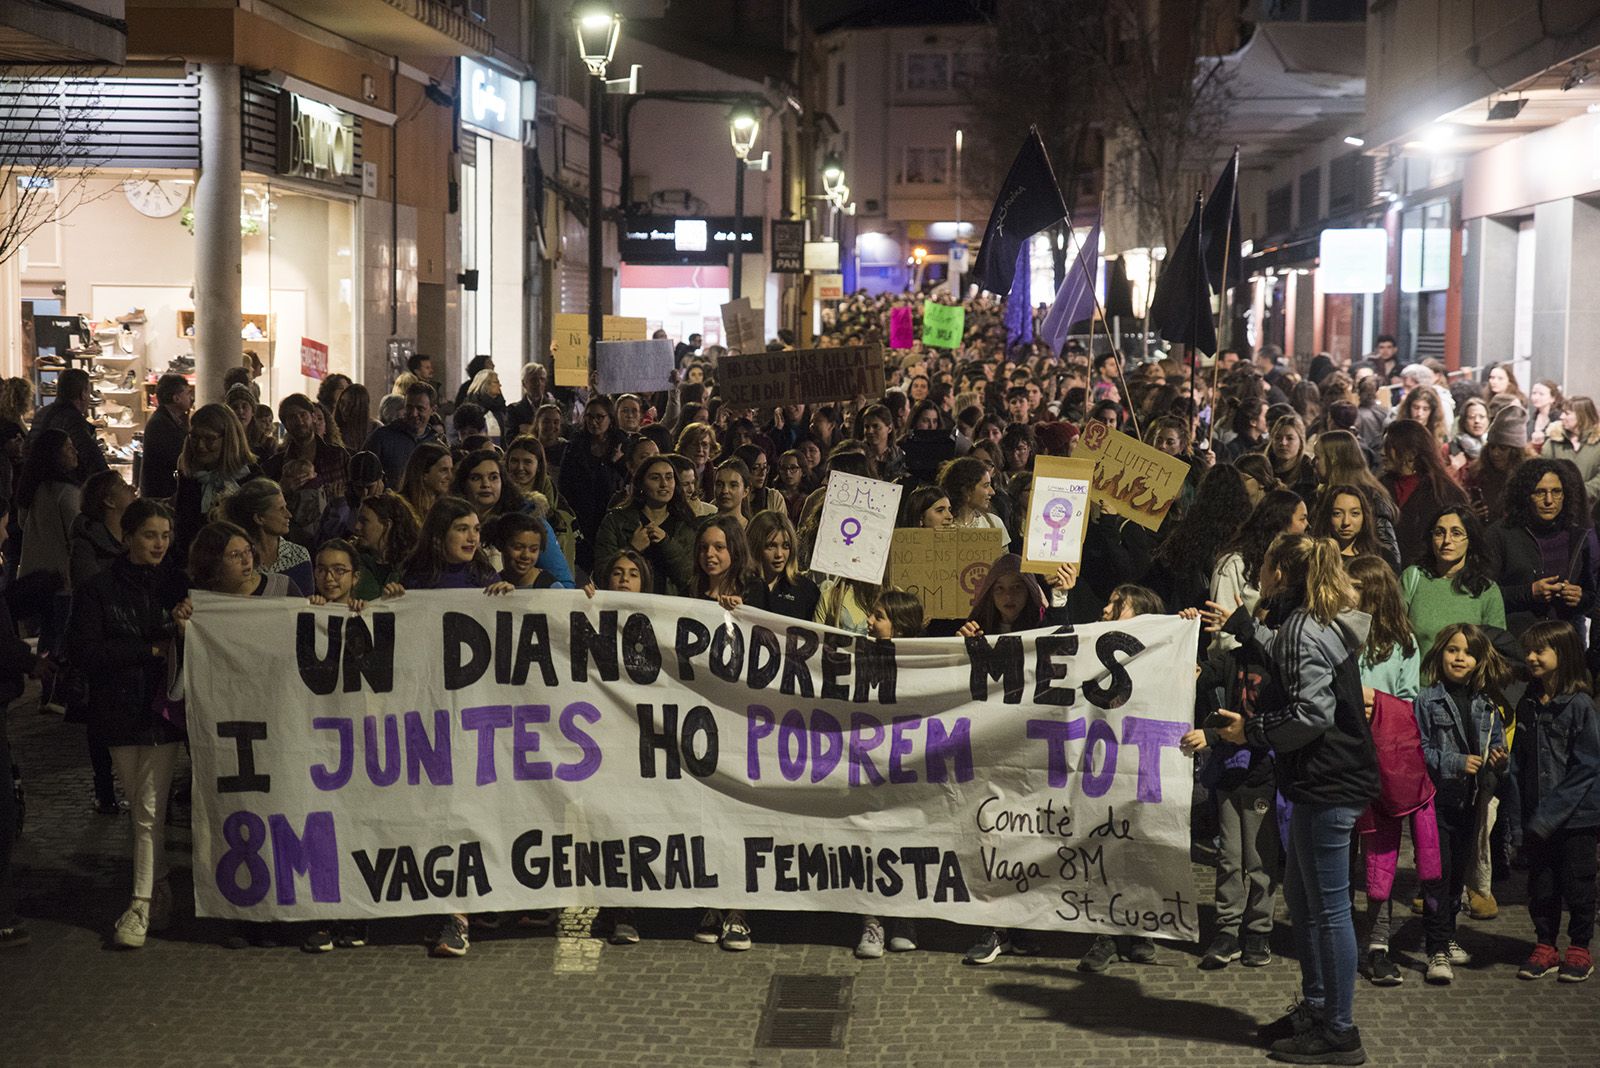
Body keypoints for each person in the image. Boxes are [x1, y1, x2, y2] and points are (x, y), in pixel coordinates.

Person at [1213, 534, 1377, 1064]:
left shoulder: (1305, 629)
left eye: (1261, 564)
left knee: (1329, 909)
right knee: (1305, 901)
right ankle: (1318, 1007)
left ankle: (1340, 1031)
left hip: (1331, 780)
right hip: (1317, 779)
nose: (1257, 574)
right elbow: (1287, 659)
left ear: (1280, 573)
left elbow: (1312, 713)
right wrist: (1243, 626)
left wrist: (1253, 731)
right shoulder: (1302, 623)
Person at [65, 499, 188, 949]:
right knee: (140, 807)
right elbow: (86, 652)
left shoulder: (178, 585)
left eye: (165, 535)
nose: (159, 543)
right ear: (129, 538)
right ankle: (160, 883)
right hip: (118, 712)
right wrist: (149, 650)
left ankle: (138, 904)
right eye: (150, 534)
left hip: (161, 712)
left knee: (150, 810)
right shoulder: (99, 590)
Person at [1412, 622, 1509, 985]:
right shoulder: (1427, 700)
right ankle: (1435, 947)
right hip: (1436, 802)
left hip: (1471, 803)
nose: (1460, 657)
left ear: (1479, 661)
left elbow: (1499, 747)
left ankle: (1447, 934)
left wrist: (1500, 760)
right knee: (1437, 876)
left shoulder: (1487, 705)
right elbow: (1419, 750)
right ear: (1440, 654)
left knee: (1456, 879)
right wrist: (1455, 762)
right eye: (1453, 650)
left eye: (1468, 652)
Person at [1511, 620, 1600, 983]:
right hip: (1537, 816)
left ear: (1562, 655)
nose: (1530, 657)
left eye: (1539, 651)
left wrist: (1549, 815)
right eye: (1528, 650)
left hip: (1576, 818)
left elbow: (1588, 766)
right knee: (1542, 884)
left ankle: (1579, 947)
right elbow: (1519, 764)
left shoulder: (1579, 705)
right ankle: (1545, 944)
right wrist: (1519, 820)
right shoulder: (1528, 703)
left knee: (1577, 883)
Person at [855, 587, 926, 960]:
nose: (869, 621)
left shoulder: (929, 662)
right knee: (870, 838)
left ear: (899, 626)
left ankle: (904, 917)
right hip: (869, 765)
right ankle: (872, 920)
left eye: (878, 616)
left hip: (911, 767)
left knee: (908, 837)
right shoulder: (856, 654)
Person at [1489, 458, 1599, 638]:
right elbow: (1483, 594)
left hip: (1564, 645)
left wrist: (1579, 597)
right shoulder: (1501, 534)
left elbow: (1591, 597)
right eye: (1540, 492)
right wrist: (1529, 592)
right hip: (1516, 643)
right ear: (1525, 495)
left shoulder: (1576, 536)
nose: (1549, 500)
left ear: (1565, 495)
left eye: (1556, 492)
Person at [1400, 505, 1506, 659]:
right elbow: (1392, 632)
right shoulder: (1413, 577)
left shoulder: (1486, 589)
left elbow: (1496, 649)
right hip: (1417, 681)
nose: (1446, 540)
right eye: (1439, 533)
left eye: (1456, 533)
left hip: (1467, 681)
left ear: (1470, 540)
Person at [1208, 489, 1307, 652]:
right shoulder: (1233, 565)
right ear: (1281, 522)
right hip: (1240, 663)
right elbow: (1224, 634)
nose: (1307, 525)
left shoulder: (1296, 566)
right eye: (1302, 519)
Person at [592, 456, 697, 597]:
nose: (664, 484)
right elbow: (602, 573)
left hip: (671, 610)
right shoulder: (616, 520)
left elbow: (690, 578)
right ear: (641, 484)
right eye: (655, 478)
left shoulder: (686, 524)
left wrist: (667, 544)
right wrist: (632, 549)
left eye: (669, 477)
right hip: (626, 605)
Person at [1381, 418, 1468, 568]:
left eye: (1390, 446)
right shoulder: (1379, 487)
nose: (1383, 452)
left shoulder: (1444, 493)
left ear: (1411, 453)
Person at [263, 394, 349, 546]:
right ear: (286, 424)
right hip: (292, 541)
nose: (299, 421)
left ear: (313, 417)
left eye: (303, 415)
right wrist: (281, 488)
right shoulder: (275, 465)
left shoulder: (337, 455)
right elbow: (263, 504)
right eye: (292, 417)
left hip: (334, 536)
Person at [561, 397, 627, 571]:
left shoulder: (622, 444)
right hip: (581, 517)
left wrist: (616, 462)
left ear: (610, 419)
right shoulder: (575, 445)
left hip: (611, 515)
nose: (594, 422)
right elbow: (564, 484)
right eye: (589, 417)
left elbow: (631, 476)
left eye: (599, 417)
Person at [218, 479, 311, 594]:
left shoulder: (298, 555)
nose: (289, 515)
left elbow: (306, 605)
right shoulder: (239, 561)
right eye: (281, 509)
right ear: (259, 518)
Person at [17, 427, 80, 584]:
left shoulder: (32, 487)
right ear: (54, 454)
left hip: (31, 572)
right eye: (68, 448)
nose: (75, 452)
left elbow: (22, 522)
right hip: (58, 577)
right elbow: (77, 536)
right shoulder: (66, 492)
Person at [28, 367, 107, 481]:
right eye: (89, 392)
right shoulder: (73, 419)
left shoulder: (42, 413)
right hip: (61, 485)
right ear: (83, 393)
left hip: (37, 483)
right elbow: (90, 455)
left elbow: (28, 448)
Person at [743, 509, 820, 620]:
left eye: (786, 546)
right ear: (754, 546)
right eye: (771, 546)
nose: (779, 554)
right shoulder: (737, 585)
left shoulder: (806, 590)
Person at [364, 382, 443, 488]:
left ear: (433, 410)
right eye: (409, 407)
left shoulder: (436, 443)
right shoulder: (382, 438)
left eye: (420, 409)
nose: (414, 413)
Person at [350, 491, 419, 601]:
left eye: (364, 521)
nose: (357, 527)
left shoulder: (414, 566)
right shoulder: (352, 562)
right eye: (358, 520)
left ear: (387, 525)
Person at [1311, 484, 1396, 572]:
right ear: (1327, 516)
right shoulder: (1315, 557)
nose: (1346, 522)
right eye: (1337, 513)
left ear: (1365, 516)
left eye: (1354, 513)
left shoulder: (1383, 556)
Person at [139, 373, 192, 499]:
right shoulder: (160, 424)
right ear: (176, 398)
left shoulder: (174, 420)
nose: (191, 397)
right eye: (188, 393)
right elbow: (177, 456)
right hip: (161, 493)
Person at [1541, 396, 1600, 502]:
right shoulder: (1553, 442)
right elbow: (1543, 471)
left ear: (1582, 416)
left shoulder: (1598, 443)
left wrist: (1581, 492)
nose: (1561, 417)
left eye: (1567, 413)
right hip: (1560, 507)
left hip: (1593, 509)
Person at [939, 455, 1007, 541]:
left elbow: (1005, 555)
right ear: (966, 490)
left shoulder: (994, 523)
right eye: (986, 486)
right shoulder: (940, 527)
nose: (992, 492)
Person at [488, 511, 558, 589]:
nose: (526, 555)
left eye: (533, 550)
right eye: (518, 548)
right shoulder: (491, 583)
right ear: (500, 545)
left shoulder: (551, 587)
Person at [1268, 414, 1318, 501]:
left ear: (1301, 443)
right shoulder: (1263, 468)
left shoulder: (1310, 474)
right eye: (1278, 438)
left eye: (1290, 438)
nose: (1283, 443)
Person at [399, 442, 453, 523]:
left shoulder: (447, 509)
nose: (450, 476)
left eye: (451, 470)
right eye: (443, 470)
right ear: (424, 473)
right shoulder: (400, 508)